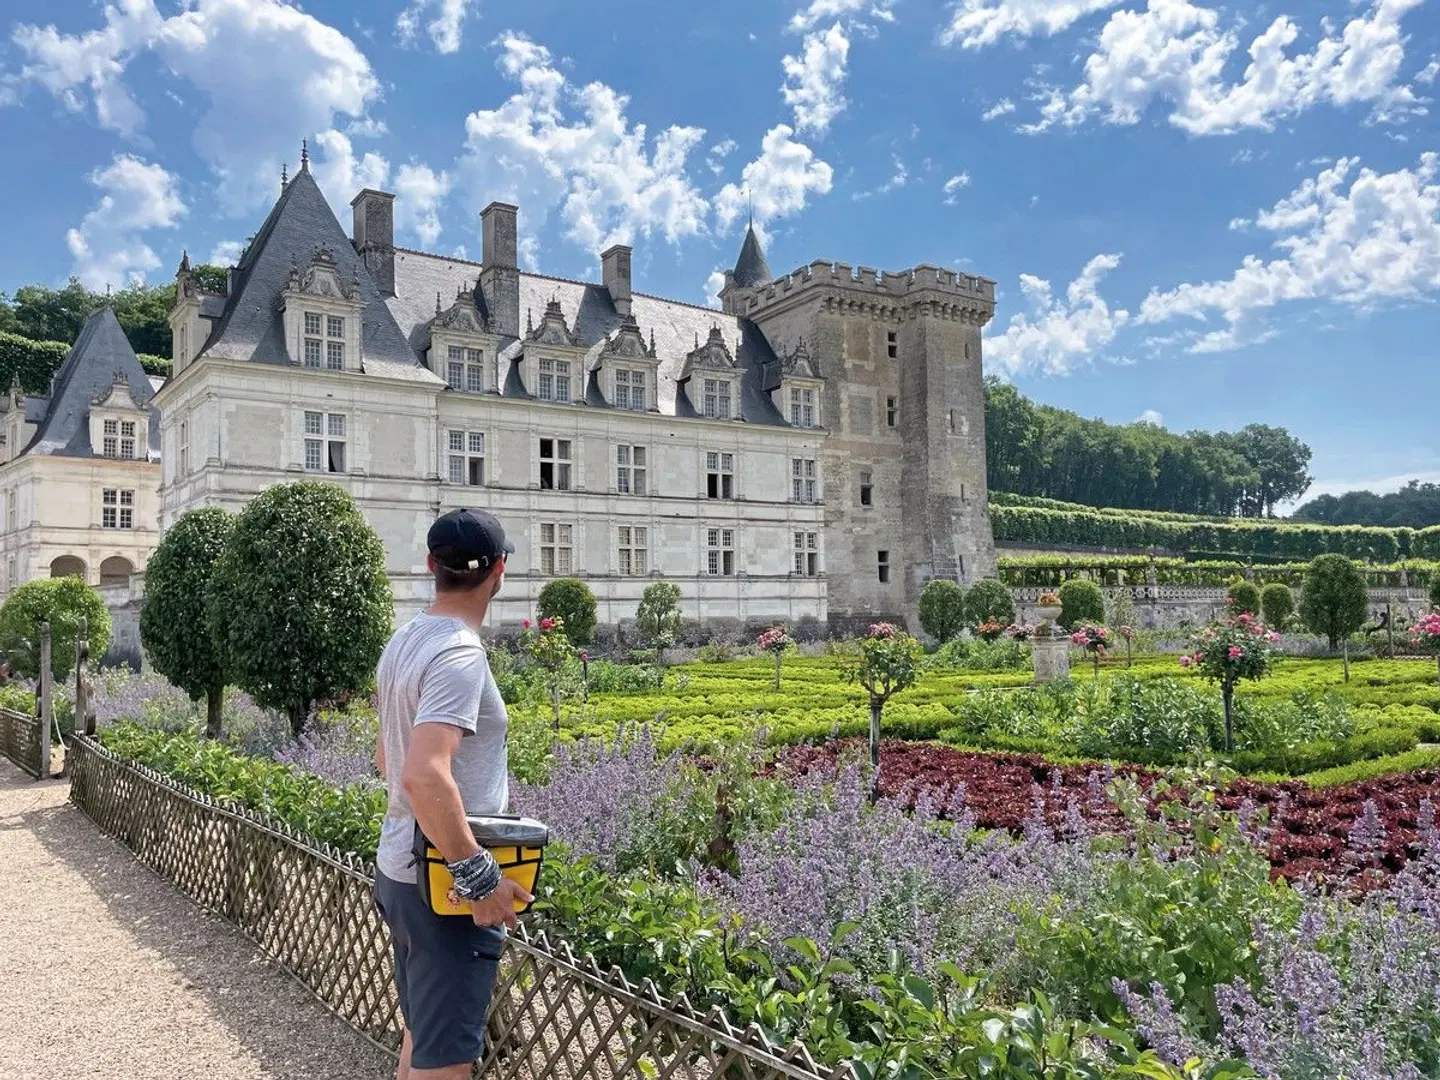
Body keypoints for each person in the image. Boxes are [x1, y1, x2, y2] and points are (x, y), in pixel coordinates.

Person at [372, 508, 532, 1079]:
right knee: (447, 1066)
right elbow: (421, 773)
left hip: (399, 866)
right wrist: (481, 879)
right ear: (500, 571)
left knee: (422, 1041)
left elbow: (386, 759)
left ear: (431, 566)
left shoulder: (407, 638)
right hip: (442, 885)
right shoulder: (460, 653)